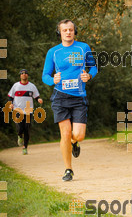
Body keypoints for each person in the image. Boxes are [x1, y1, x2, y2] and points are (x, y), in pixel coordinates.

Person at [42, 19, 97, 181]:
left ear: (75, 31)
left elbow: (93, 66)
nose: (68, 32)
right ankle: (68, 169)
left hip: (79, 96)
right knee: (65, 133)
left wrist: (89, 75)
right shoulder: (53, 52)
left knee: (78, 135)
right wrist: (53, 80)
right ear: (59, 32)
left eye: (71, 30)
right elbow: (45, 75)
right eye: (65, 30)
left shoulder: (83, 48)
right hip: (60, 97)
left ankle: (75, 142)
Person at [8, 69, 43, 154]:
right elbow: (10, 96)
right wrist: (10, 104)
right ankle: (19, 135)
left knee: (27, 129)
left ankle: (25, 147)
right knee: (20, 128)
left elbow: (36, 96)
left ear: (27, 75)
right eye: (22, 73)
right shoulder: (16, 86)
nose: (24, 74)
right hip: (17, 110)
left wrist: (39, 99)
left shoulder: (32, 86)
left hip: (28, 110)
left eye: (26, 73)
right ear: (20, 76)